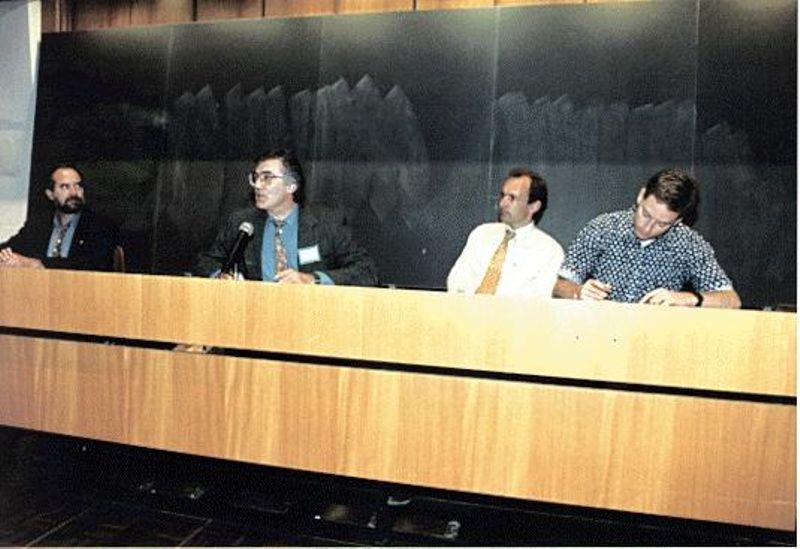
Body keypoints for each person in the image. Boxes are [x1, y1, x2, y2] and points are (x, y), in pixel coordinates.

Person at [553, 168, 741, 308]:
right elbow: (559, 286)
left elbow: (731, 300)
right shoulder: (602, 228)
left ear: (678, 220)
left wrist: (685, 298)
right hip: (600, 334)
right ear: (641, 195)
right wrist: (578, 291)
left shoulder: (689, 244)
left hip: (654, 342)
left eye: (662, 224)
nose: (647, 227)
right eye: (646, 214)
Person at [194, 148, 378, 286]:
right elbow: (206, 260)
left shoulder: (326, 223)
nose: (258, 185)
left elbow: (366, 271)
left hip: (310, 318)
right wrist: (220, 275)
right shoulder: (242, 222)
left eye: (267, 178)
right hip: (254, 319)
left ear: (291, 186)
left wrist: (313, 279)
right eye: (255, 177)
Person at [447, 167, 564, 297]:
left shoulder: (549, 251)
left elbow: (541, 299)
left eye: (512, 198)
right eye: (503, 195)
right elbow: (457, 280)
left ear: (533, 206)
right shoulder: (481, 234)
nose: (502, 204)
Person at [0, 165, 118, 271]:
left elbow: (92, 265)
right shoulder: (39, 224)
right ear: (50, 194)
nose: (74, 193)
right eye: (65, 187)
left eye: (78, 186)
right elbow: (12, 247)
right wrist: (6, 257)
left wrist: (38, 265)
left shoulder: (100, 225)